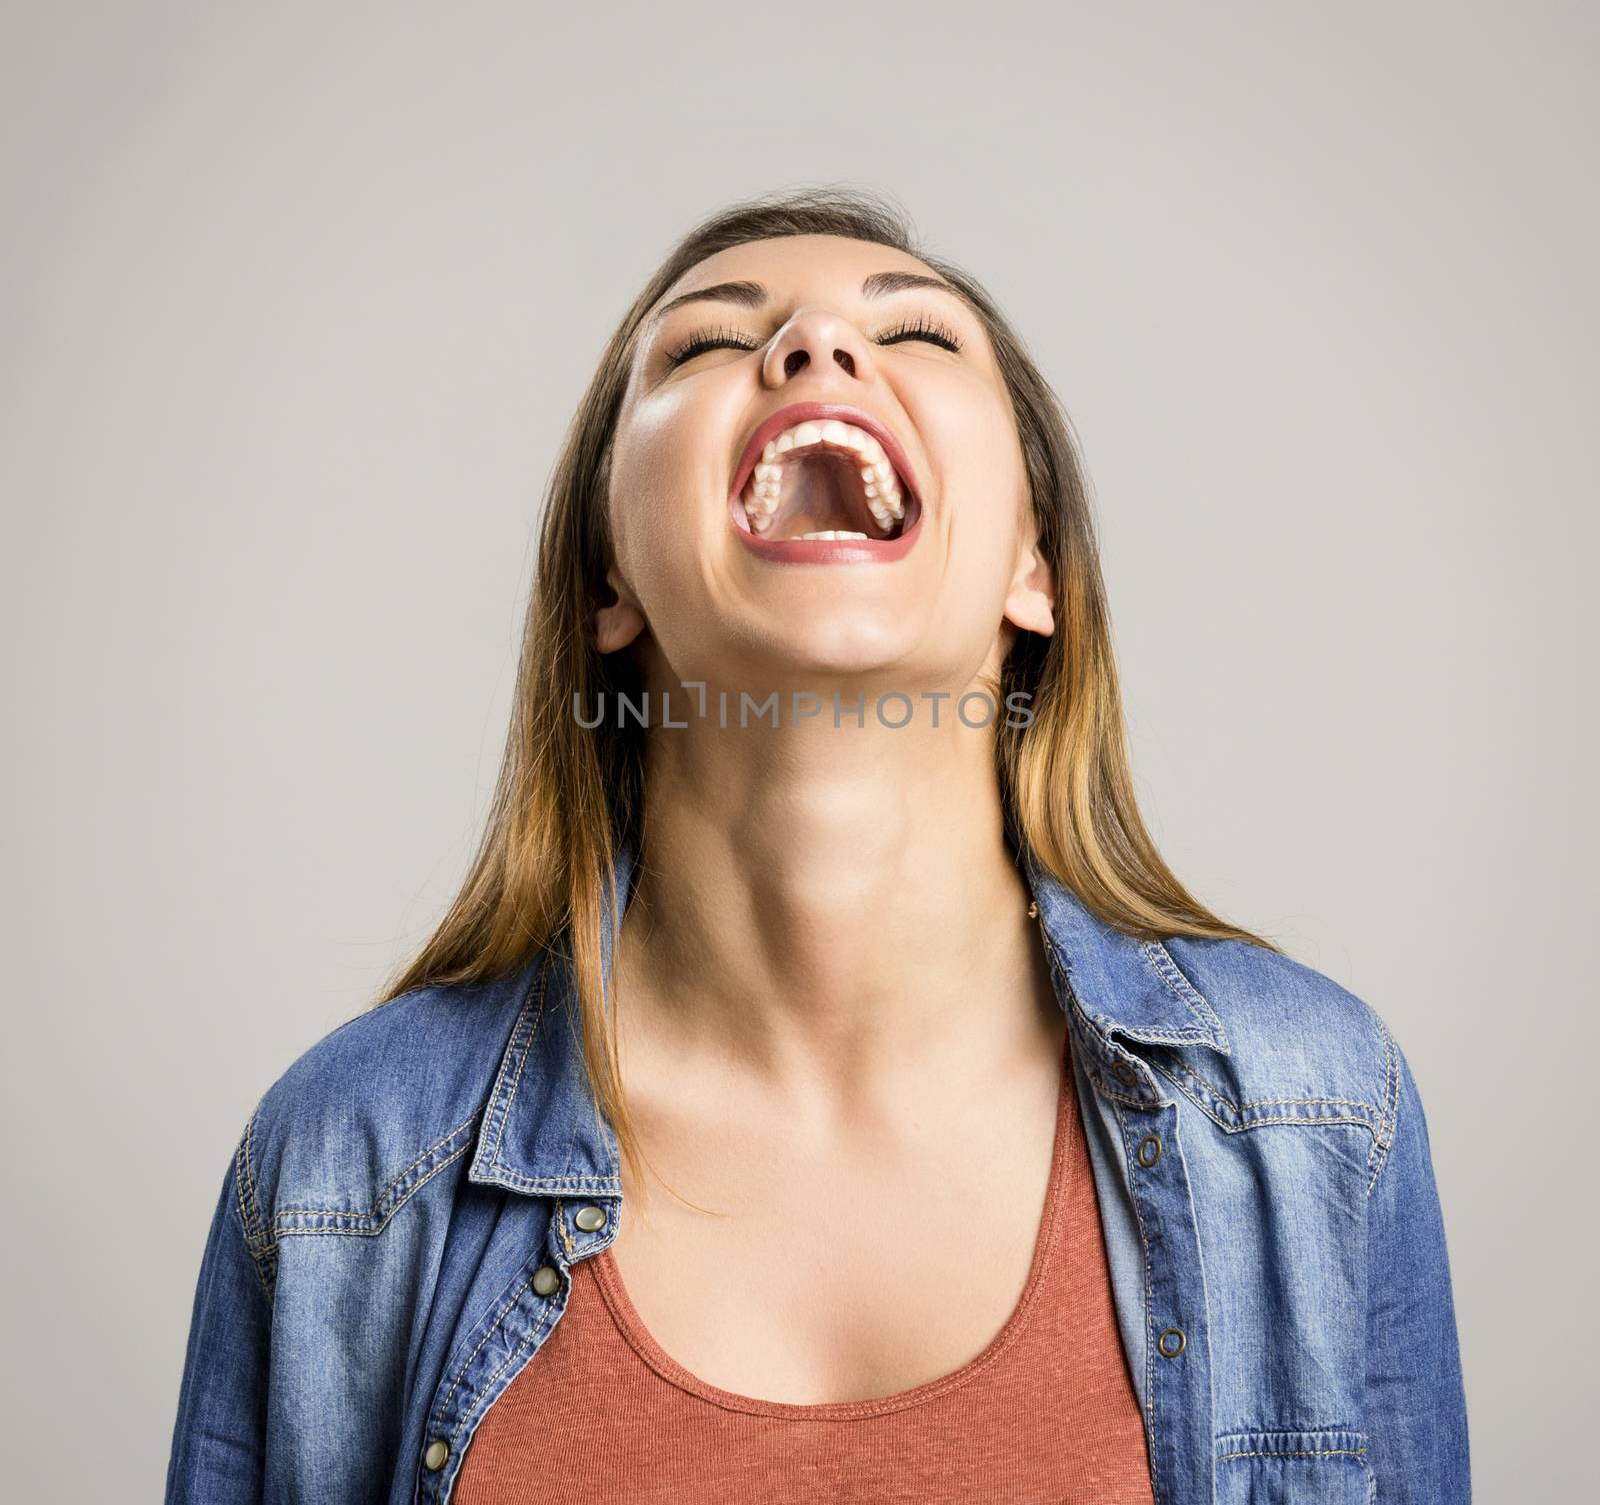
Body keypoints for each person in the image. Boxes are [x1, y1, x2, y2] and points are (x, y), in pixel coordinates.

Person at [164, 187, 1471, 1504]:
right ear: (609, 579)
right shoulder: (346, 1163)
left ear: (1038, 567)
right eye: (706, 345)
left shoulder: (1314, 1109)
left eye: (915, 336)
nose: (813, 349)